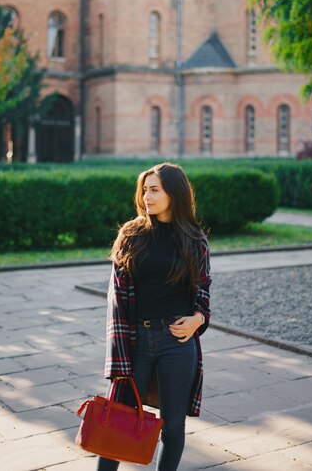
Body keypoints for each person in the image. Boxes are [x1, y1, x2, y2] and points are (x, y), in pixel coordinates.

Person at [97, 162, 211, 471]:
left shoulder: (194, 240)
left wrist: (198, 319)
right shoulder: (131, 234)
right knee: (116, 421)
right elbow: (116, 299)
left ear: (174, 193)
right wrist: (118, 358)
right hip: (136, 340)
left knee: (172, 426)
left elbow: (202, 289)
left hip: (176, 341)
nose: (147, 196)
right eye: (145, 190)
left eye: (154, 190)